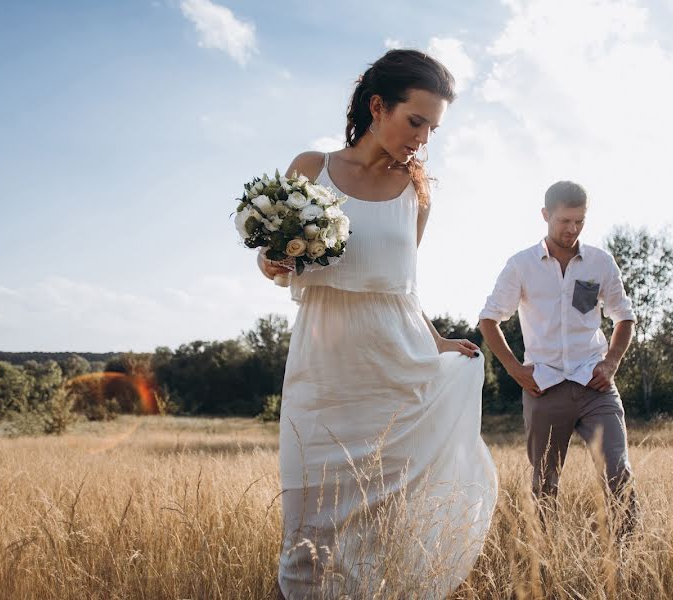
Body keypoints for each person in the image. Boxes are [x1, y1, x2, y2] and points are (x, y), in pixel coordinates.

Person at [257, 49, 498, 599]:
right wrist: (270, 261)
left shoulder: (417, 192)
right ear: (377, 106)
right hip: (323, 378)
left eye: (433, 128)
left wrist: (440, 343)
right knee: (304, 539)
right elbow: (274, 259)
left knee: (381, 539)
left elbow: (403, 291)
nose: (423, 138)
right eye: (416, 121)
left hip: (396, 376)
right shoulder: (311, 170)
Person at [478, 181, 638, 535]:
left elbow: (624, 317)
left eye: (579, 221)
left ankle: (627, 558)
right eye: (564, 220)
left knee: (617, 471)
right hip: (544, 388)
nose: (572, 229)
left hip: (595, 384)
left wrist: (610, 364)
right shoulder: (521, 265)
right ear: (545, 215)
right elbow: (488, 320)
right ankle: (546, 559)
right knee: (544, 484)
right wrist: (515, 370)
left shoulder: (600, 262)